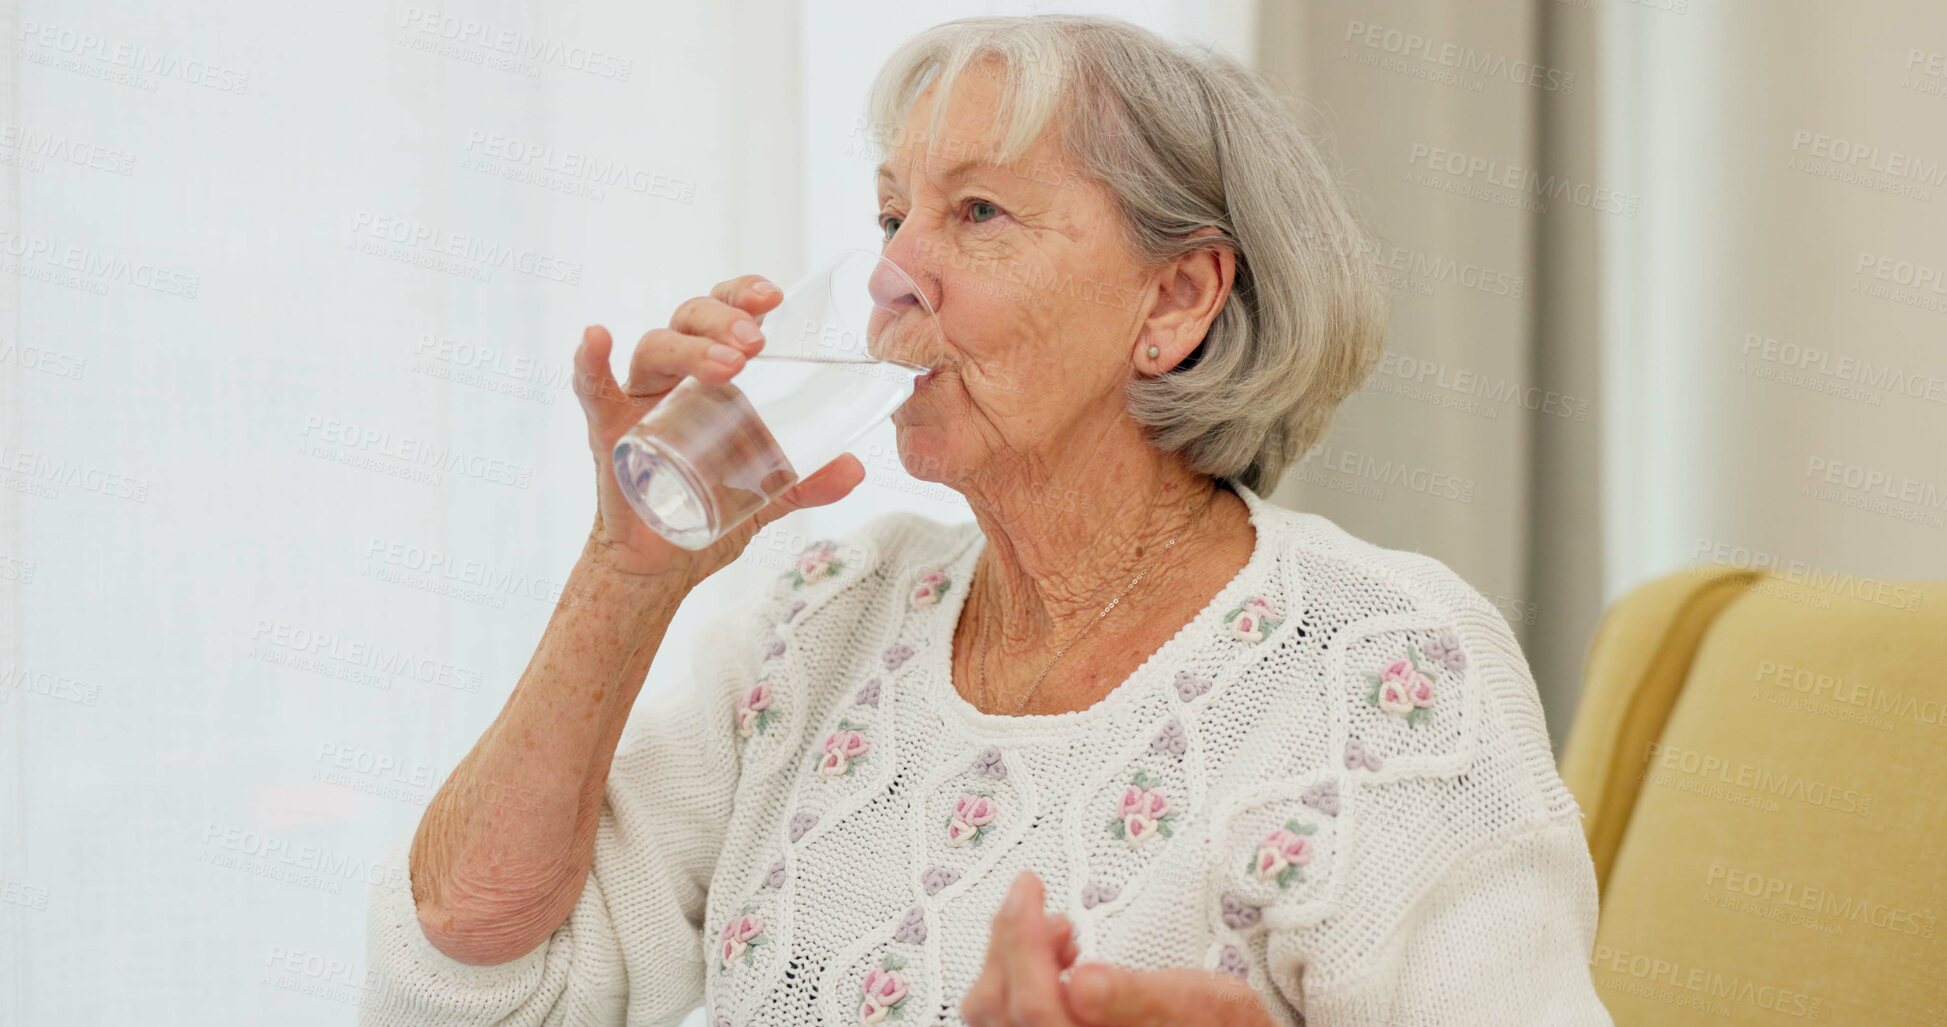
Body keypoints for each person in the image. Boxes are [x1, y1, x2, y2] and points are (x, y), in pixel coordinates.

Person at [361, 14, 1614, 1026]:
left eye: (977, 213)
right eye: (889, 215)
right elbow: (467, 995)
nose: (896, 272)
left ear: (1175, 298)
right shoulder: (819, 621)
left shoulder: (1378, 671)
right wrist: (625, 573)